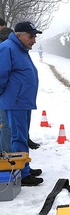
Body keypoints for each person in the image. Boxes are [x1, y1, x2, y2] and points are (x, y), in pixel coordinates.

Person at [0, 21, 44, 186]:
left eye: (34, 37)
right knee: (18, 137)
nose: (33, 40)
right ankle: (22, 174)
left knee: (22, 136)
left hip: (22, 101)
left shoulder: (20, 48)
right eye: (31, 36)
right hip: (15, 101)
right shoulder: (8, 48)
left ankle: (24, 166)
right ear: (19, 35)